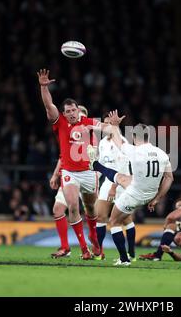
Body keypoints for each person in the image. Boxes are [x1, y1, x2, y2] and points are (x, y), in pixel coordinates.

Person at [38, 69, 116, 260]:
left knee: (91, 210)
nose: (71, 114)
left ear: (78, 110)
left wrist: (109, 125)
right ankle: (83, 249)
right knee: (72, 206)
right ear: (64, 113)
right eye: (68, 111)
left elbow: (107, 129)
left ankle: (94, 240)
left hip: (89, 174)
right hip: (70, 173)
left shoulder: (87, 122)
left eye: (74, 110)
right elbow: (49, 105)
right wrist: (44, 87)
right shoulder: (61, 122)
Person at [88, 120, 174, 266]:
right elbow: (169, 178)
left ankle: (124, 259)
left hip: (135, 194)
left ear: (134, 137)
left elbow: (117, 139)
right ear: (148, 137)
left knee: (114, 221)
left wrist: (114, 125)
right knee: (122, 178)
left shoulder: (134, 150)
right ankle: (127, 254)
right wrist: (157, 198)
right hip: (150, 194)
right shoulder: (162, 154)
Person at [48, 105, 94, 259]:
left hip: (87, 177)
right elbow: (63, 157)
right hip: (70, 177)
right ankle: (66, 247)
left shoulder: (92, 136)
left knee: (92, 213)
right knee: (58, 209)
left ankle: (95, 242)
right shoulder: (68, 134)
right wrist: (55, 175)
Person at [94, 116, 135, 261]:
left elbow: (122, 168)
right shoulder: (103, 143)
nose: (107, 125)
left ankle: (131, 253)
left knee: (125, 220)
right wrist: (95, 181)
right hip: (107, 182)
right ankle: (98, 253)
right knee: (100, 216)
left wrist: (113, 187)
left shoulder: (122, 141)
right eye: (105, 123)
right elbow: (102, 165)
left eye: (110, 123)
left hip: (122, 184)